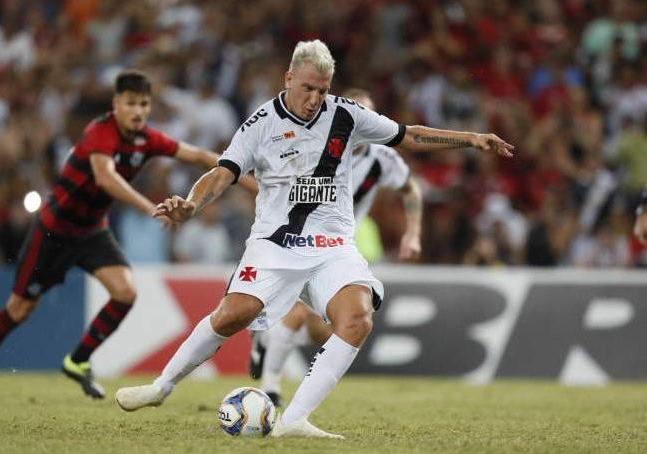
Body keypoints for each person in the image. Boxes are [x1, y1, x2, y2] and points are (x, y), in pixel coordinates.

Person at [115, 40, 513, 438]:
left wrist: (470, 138)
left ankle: (293, 420)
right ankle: (161, 387)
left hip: (332, 246)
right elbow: (222, 173)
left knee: (357, 318)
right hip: (275, 244)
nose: (314, 99)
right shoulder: (260, 124)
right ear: (289, 78)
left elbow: (408, 136)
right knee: (233, 315)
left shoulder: (346, 114)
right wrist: (190, 204)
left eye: (322, 90)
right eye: (307, 88)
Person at [0, 70, 255, 402]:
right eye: (131, 103)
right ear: (116, 104)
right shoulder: (100, 132)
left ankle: (78, 360)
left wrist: (252, 182)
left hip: (91, 231)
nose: (138, 111)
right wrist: (147, 206)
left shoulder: (147, 140)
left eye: (144, 104)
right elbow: (105, 177)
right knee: (19, 309)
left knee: (125, 292)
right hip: (54, 230)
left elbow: (199, 156)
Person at [248, 88, 423, 407]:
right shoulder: (313, 144)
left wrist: (412, 233)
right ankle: (271, 387)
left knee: (324, 331)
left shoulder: (382, 158)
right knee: (298, 310)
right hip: (299, 238)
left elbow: (410, 189)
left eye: (368, 116)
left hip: (339, 247)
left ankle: (267, 338)